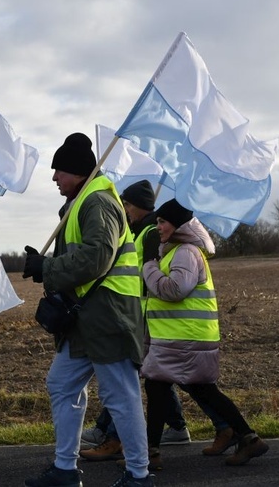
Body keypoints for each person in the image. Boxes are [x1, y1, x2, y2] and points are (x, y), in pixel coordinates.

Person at [22, 133, 154, 487]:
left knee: (120, 395)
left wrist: (47, 268)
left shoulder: (98, 201)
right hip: (87, 316)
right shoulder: (84, 201)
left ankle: (139, 476)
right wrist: (47, 264)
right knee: (61, 384)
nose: (54, 179)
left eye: (59, 172)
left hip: (108, 314)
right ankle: (65, 469)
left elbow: (97, 257)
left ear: (77, 172)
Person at [80, 181, 232, 464]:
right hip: (152, 317)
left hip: (153, 318)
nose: (123, 209)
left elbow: (159, 277)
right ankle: (183, 428)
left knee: (136, 376)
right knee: (160, 379)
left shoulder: (152, 233)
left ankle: (114, 437)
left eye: (126, 204)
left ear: (138, 205)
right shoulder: (142, 230)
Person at [140, 198, 269, 467]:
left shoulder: (185, 252)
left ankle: (149, 454)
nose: (158, 226)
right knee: (195, 390)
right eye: (157, 221)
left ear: (176, 225)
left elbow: (176, 290)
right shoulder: (178, 250)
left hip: (183, 338)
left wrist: (149, 265)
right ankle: (248, 438)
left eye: (162, 221)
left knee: (160, 386)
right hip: (183, 338)